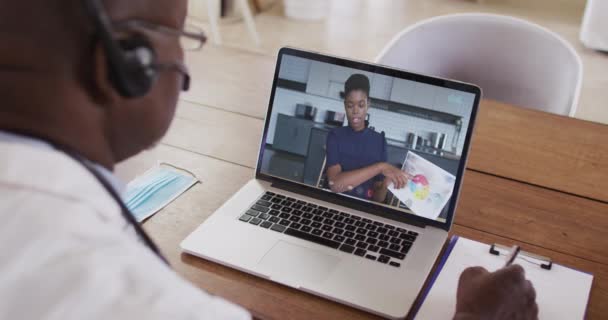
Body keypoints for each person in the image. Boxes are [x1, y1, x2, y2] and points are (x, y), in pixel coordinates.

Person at [0, 1, 538, 319]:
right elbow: (335, 181)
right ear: (127, 64)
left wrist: (389, 189)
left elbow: (370, 190)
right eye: (183, 37)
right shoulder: (123, 295)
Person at [325, 74, 409, 203]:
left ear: (368, 104)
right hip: (336, 204)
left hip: (364, 210)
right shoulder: (335, 136)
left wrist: (386, 184)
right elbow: (335, 184)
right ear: (345, 106)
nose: (355, 111)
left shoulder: (379, 141)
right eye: (350, 105)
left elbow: (377, 198)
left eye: (361, 105)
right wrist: (380, 167)